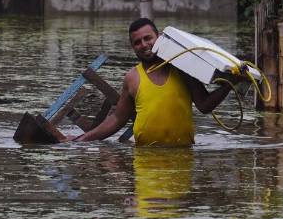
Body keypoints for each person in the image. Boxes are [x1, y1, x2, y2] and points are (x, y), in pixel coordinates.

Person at [71, 17, 238, 146]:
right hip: (144, 158)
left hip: (182, 156)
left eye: (148, 38)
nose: (144, 45)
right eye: (137, 42)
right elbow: (117, 118)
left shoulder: (182, 67)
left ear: (158, 37)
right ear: (132, 47)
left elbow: (204, 105)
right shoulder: (132, 77)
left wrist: (229, 85)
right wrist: (82, 140)